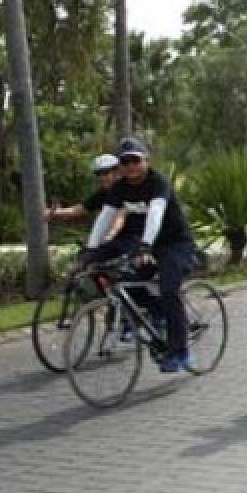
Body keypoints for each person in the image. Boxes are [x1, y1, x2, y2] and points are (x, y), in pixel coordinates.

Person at [86, 137, 198, 372]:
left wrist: (146, 245)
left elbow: (156, 213)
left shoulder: (158, 183)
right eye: (124, 162)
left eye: (135, 160)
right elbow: (105, 217)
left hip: (175, 244)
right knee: (124, 279)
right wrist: (91, 249)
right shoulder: (120, 188)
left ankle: (181, 351)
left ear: (146, 160)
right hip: (148, 244)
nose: (130, 166)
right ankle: (155, 312)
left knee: (169, 290)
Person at [45, 154, 121, 224]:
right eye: (98, 174)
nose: (102, 177)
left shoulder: (125, 190)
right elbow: (78, 209)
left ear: (116, 173)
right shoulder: (102, 195)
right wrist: (55, 212)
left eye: (106, 173)